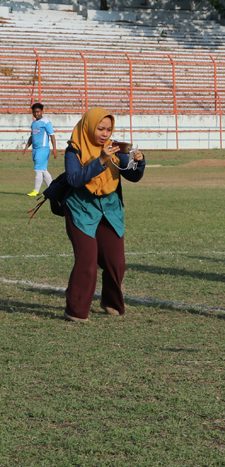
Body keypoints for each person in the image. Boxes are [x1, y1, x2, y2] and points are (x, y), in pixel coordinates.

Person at [62, 107, 146, 322]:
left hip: (110, 209)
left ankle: (110, 301)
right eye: (100, 128)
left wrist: (139, 160)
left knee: (116, 262)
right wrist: (99, 160)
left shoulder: (115, 149)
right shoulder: (75, 149)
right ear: (90, 126)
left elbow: (133, 176)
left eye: (108, 129)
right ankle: (76, 310)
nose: (105, 134)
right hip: (81, 209)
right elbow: (73, 179)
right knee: (87, 261)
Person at [23, 103, 58, 197]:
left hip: (43, 149)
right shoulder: (34, 123)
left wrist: (55, 149)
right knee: (43, 170)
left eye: (38, 111)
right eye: (34, 112)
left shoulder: (46, 122)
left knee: (38, 170)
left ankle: (36, 191)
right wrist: (26, 147)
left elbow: (52, 135)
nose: (36, 114)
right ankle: (54, 189)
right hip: (35, 150)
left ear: (42, 111)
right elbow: (32, 136)